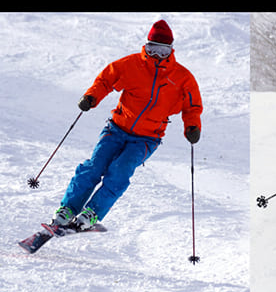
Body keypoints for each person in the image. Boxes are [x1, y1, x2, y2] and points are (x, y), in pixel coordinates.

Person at [52, 19, 203, 230]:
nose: (157, 55)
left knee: (120, 171)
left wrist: (192, 127)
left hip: (147, 138)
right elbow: (106, 80)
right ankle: (68, 209)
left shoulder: (182, 78)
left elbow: (192, 107)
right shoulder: (131, 65)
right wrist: (91, 97)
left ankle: (93, 212)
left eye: (163, 50)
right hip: (115, 129)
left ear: (171, 50)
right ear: (146, 46)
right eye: (153, 49)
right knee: (94, 167)